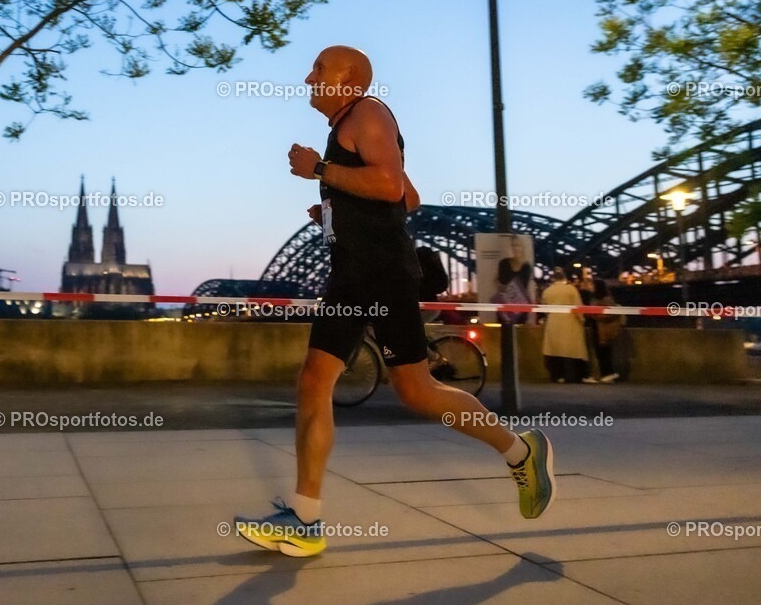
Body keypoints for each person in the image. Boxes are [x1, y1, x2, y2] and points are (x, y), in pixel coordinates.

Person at [234, 46, 555, 558]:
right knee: (342, 383)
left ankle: (521, 451)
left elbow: (386, 183)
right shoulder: (351, 123)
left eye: (319, 69)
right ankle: (306, 518)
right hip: (358, 275)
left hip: (378, 276)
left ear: (350, 80)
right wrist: (338, 209)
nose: (308, 77)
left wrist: (319, 169)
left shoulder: (368, 111)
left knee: (406, 389)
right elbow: (408, 197)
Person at [541, 267, 595, 383]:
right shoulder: (571, 289)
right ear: (564, 277)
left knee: (555, 350)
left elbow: (544, 308)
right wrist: (582, 320)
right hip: (570, 322)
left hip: (553, 322)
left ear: (553, 279)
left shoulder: (547, 291)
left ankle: (558, 376)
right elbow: (578, 306)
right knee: (574, 350)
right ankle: (578, 375)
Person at [493, 235, 534, 324]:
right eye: (513, 245)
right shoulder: (504, 263)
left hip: (520, 308)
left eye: (517, 245)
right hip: (505, 306)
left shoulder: (526, 266)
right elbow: (502, 282)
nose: (515, 248)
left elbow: (524, 287)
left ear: (522, 248)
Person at [589, 279, 623, 383]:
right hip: (598, 328)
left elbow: (611, 313)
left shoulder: (605, 299)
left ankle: (608, 373)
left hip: (602, 329)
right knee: (602, 352)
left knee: (603, 352)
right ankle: (605, 374)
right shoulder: (601, 297)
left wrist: (596, 315)